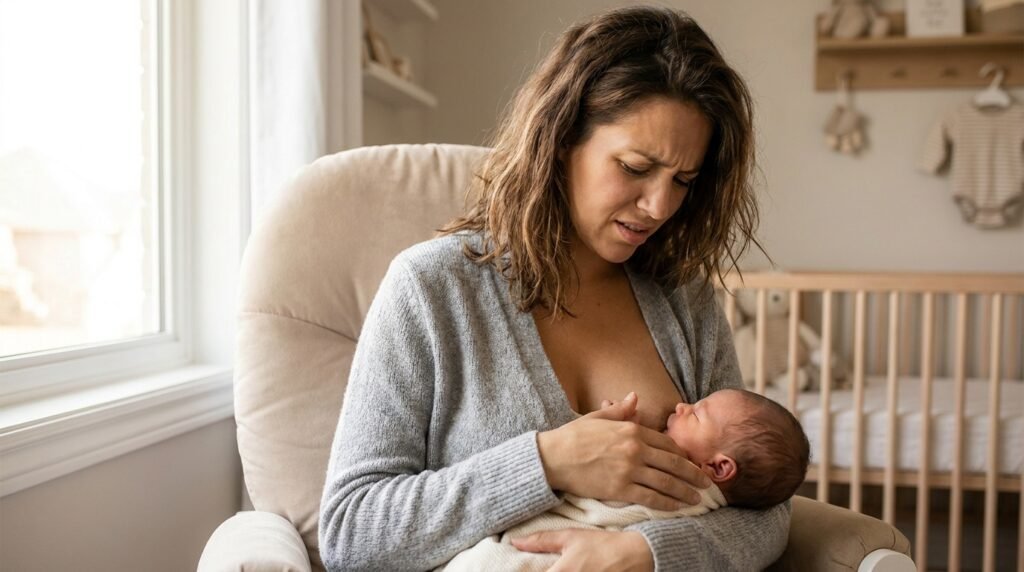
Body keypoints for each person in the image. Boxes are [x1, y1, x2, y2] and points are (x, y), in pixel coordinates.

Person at [320, 5, 790, 571]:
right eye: (636, 167)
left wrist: (645, 551)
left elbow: (765, 510)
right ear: (563, 139)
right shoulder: (431, 289)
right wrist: (545, 464)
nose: (660, 206)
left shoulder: (680, 295)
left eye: (683, 181)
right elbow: (351, 533)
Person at [438, 389, 810, 571]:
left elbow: (771, 517)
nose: (681, 405)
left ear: (718, 469)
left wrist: (648, 553)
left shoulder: (683, 492)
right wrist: (560, 457)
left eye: (695, 414)